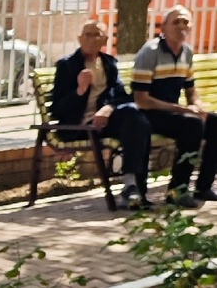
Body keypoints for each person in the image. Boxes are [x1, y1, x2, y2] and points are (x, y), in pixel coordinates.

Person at [50, 19, 154, 210]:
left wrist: (108, 108)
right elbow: (57, 109)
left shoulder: (109, 63)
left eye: (96, 34)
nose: (91, 39)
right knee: (138, 122)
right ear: (80, 39)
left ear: (105, 40)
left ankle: (131, 186)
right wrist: (79, 91)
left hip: (104, 123)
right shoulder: (67, 65)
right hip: (80, 127)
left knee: (138, 118)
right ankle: (135, 187)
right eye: (87, 34)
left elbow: (122, 95)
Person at [132, 7, 217, 205]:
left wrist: (198, 106)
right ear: (163, 27)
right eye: (175, 22)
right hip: (148, 114)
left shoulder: (187, 52)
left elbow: (191, 90)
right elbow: (141, 99)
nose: (181, 26)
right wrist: (185, 110)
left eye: (185, 22)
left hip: (173, 113)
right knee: (191, 124)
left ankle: (204, 187)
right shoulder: (150, 52)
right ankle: (177, 191)